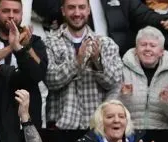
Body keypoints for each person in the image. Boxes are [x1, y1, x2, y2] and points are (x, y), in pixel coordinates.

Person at [44, 0, 123, 129]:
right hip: (61, 126)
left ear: (88, 10)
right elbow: (50, 80)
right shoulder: (49, 42)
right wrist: (77, 62)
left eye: (81, 7)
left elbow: (114, 83)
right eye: (71, 8)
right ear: (63, 11)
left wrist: (97, 61)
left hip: (97, 126)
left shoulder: (107, 43)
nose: (77, 13)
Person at [0, 0, 50, 128]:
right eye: (6, 11)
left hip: (26, 113)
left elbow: (39, 74)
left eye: (16, 11)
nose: (11, 15)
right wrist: (13, 46)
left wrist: (27, 47)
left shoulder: (34, 41)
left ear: (22, 14)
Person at [116, 27, 168, 130]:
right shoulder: (122, 69)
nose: (147, 48)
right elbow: (110, 111)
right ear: (136, 49)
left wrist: (167, 102)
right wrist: (124, 96)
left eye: (153, 45)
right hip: (129, 134)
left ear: (161, 52)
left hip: (162, 135)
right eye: (143, 45)